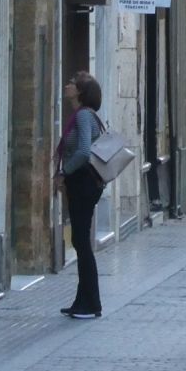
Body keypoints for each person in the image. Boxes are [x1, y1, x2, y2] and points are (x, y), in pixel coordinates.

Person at [56, 71, 105, 319]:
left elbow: (84, 151)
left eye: (72, 84)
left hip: (83, 183)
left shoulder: (84, 116)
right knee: (79, 240)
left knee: (81, 242)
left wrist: (65, 171)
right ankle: (82, 299)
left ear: (81, 92)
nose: (67, 86)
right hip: (81, 183)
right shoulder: (79, 115)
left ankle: (92, 302)